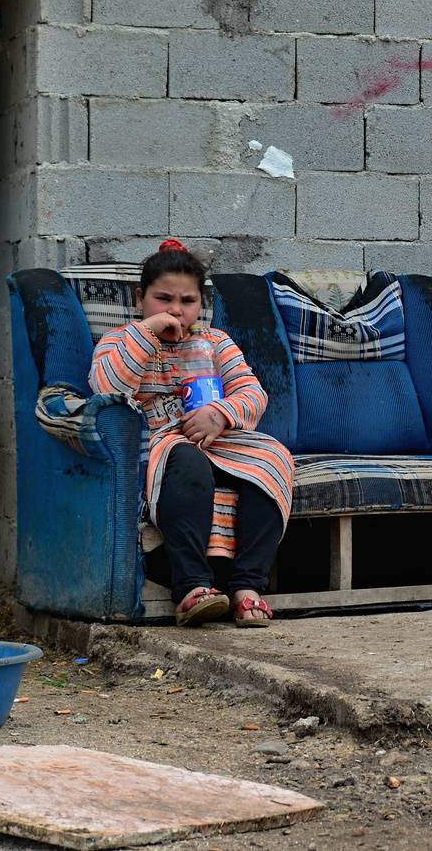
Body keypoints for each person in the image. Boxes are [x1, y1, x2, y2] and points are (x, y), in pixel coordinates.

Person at [89, 240, 294, 627]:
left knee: (273, 457)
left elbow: (252, 392)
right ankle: (191, 588)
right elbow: (107, 387)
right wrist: (147, 332)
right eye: (162, 299)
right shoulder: (118, 341)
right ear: (140, 298)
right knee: (188, 459)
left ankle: (247, 588)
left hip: (220, 441)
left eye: (187, 301)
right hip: (162, 447)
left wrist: (220, 414)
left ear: (202, 304)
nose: (175, 310)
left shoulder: (215, 342)